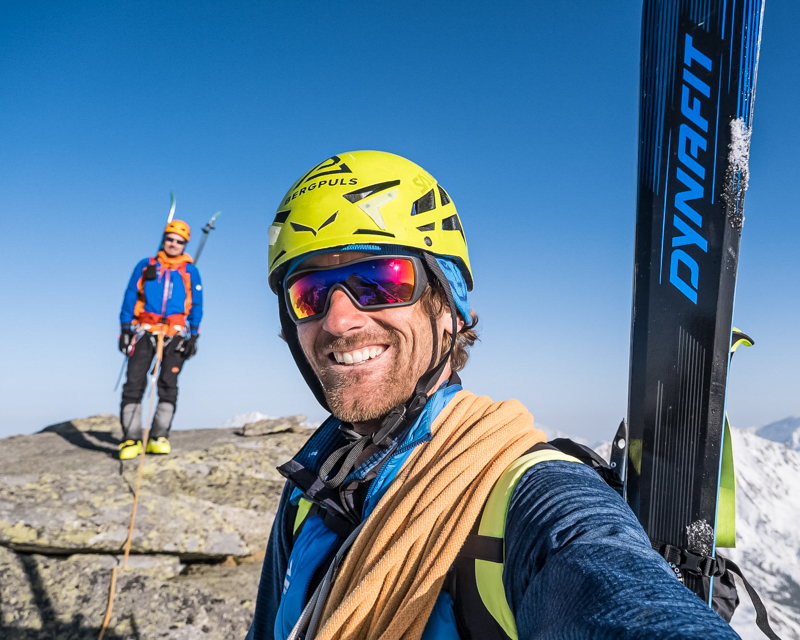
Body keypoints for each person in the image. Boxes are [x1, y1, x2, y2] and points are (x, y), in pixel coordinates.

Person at [247, 151, 738, 639]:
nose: (338, 320)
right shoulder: (313, 486)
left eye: (380, 283)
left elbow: (611, 583)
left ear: (448, 306)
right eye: (309, 293)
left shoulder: (527, 497)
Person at [117, 220, 203, 460]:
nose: (173, 244)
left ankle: (158, 437)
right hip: (144, 330)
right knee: (134, 383)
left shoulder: (190, 271)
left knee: (168, 384)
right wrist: (125, 328)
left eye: (179, 241)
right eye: (170, 239)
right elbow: (130, 295)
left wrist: (194, 334)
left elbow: (197, 304)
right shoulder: (145, 266)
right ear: (163, 240)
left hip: (175, 334)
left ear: (185, 244)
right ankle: (131, 439)